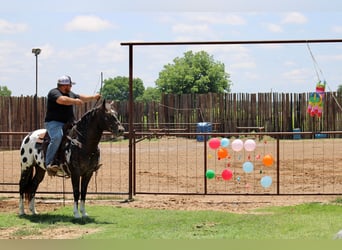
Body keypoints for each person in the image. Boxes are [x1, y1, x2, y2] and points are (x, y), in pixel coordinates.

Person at [44, 75, 101, 173]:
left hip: (69, 123)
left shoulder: (70, 93)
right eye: (70, 85)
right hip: (54, 123)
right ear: (64, 85)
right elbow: (62, 100)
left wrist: (93, 97)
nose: (71, 87)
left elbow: (81, 97)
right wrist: (74, 101)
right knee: (57, 137)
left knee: (83, 136)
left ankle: (88, 162)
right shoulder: (54, 93)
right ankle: (49, 163)